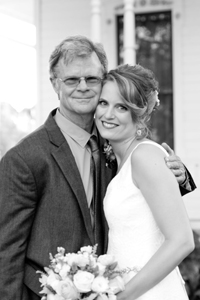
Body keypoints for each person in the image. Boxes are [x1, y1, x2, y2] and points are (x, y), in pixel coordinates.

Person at [0, 36, 196, 300]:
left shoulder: (117, 140)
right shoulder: (23, 158)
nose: (83, 87)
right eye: (72, 79)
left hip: (124, 289)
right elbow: (6, 252)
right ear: (54, 84)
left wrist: (179, 175)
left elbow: (148, 198)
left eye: (92, 79)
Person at [95, 63, 195, 300]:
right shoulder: (118, 158)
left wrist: (121, 297)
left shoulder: (145, 155)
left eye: (121, 107)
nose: (108, 114)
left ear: (140, 113)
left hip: (149, 292)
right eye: (103, 103)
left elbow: (182, 241)